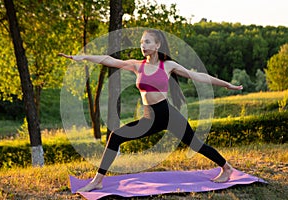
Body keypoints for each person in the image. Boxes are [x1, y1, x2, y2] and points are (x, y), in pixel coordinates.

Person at [59, 29, 243, 192]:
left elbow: (198, 76)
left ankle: (226, 168)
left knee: (195, 144)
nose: (143, 45)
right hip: (149, 118)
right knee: (116, 136)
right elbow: (109, 60)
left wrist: (227, 85)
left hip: (169, 116)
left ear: (157, 45)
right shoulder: (137, 65)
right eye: (141, 42)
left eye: (147, 42)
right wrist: (83, 57)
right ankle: (98, 180)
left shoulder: (168, 66)